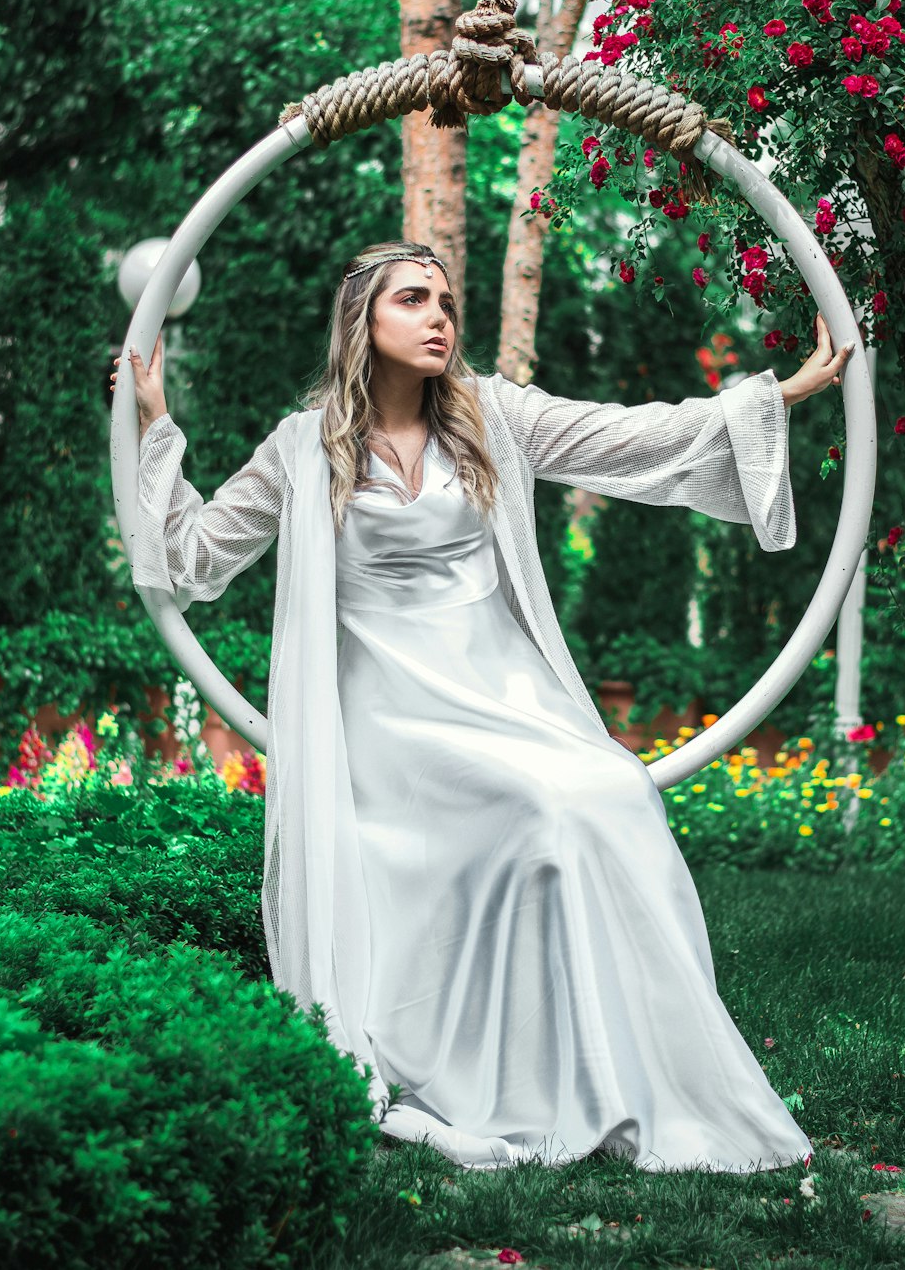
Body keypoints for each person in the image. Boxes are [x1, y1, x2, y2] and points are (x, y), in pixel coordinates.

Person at [115, 240, 854, 1174]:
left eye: (447, 302)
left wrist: (773, 396)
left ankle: (622, 1077)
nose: (438, 318)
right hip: (391, 710)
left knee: (613, 795)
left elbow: (632, 435)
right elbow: (192, 556)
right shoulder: (302, 449)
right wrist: (154, 424)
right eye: (413, 299)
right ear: (363, 322)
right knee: (546, 809)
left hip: (503, 687)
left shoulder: (491, 416)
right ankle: (507, 1075)